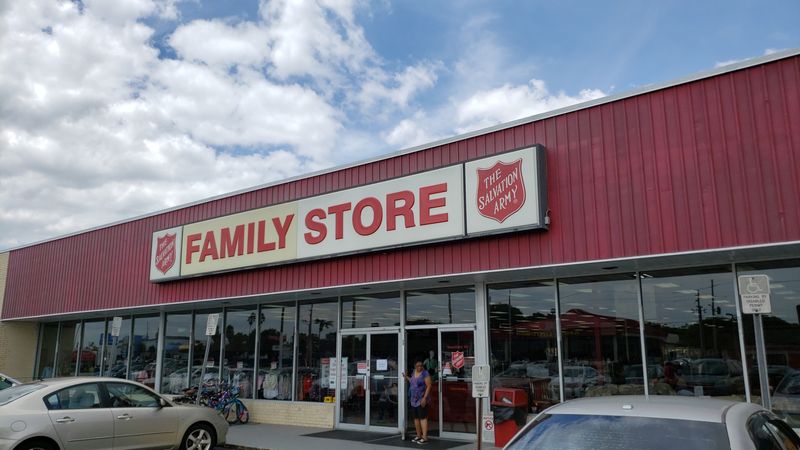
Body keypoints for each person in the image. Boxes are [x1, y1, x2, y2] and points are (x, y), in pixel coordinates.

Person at [404, 359, 433, 445]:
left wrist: (424, 398)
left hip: (421, 399)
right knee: (416, 418)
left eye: (421, 365)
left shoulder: (425, 373)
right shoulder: (413, 372)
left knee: (423, 418)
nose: (419, 367)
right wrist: (406, 377)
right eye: (418, 366)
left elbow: (429, 386)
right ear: (415, 366)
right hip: (413, 399)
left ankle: (425, 437)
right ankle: (418, 435)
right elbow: (412, 382)